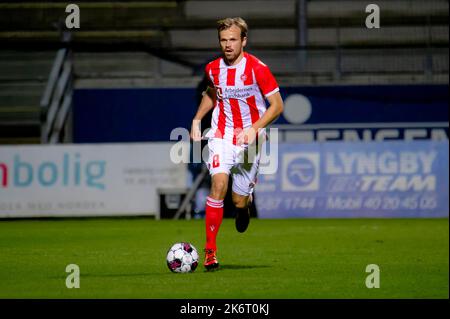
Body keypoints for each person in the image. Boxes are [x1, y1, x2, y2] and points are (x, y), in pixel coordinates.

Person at [190, 17, 284, 270]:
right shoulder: (212, 68)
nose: (228, 45)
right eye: (223, 40)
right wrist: (198, 118)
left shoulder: (257, 69)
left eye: (233, 39)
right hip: (221, 134)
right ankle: (210, 251)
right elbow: (212, 94)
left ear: (244, 40)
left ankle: (244, 207)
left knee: (238, 200)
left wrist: (254, 129)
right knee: (218, 184)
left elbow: (277, 106)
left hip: (250, 139)